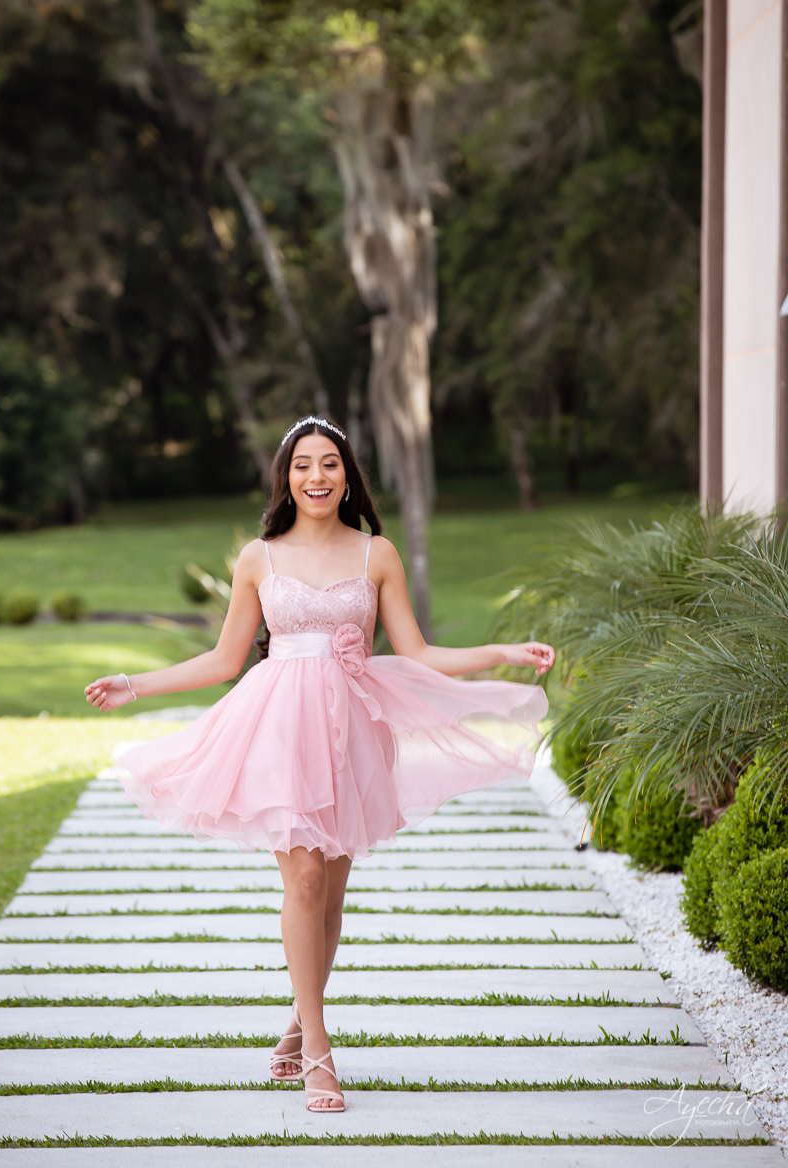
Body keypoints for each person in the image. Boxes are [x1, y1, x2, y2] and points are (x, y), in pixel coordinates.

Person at [85, 415, 555, 1113]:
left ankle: (298, 1017)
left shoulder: (377, 554)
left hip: (351, 731)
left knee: (330, 895)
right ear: (286, 477)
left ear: (346, 475)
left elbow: (419, 653)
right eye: (302, 464)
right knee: (303, 874)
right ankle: (319, 1053)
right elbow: (224, 660)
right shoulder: (259, 557)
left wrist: (502, 653)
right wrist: (136, 685)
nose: (316, 476)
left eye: (329, 463)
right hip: (276, 723)